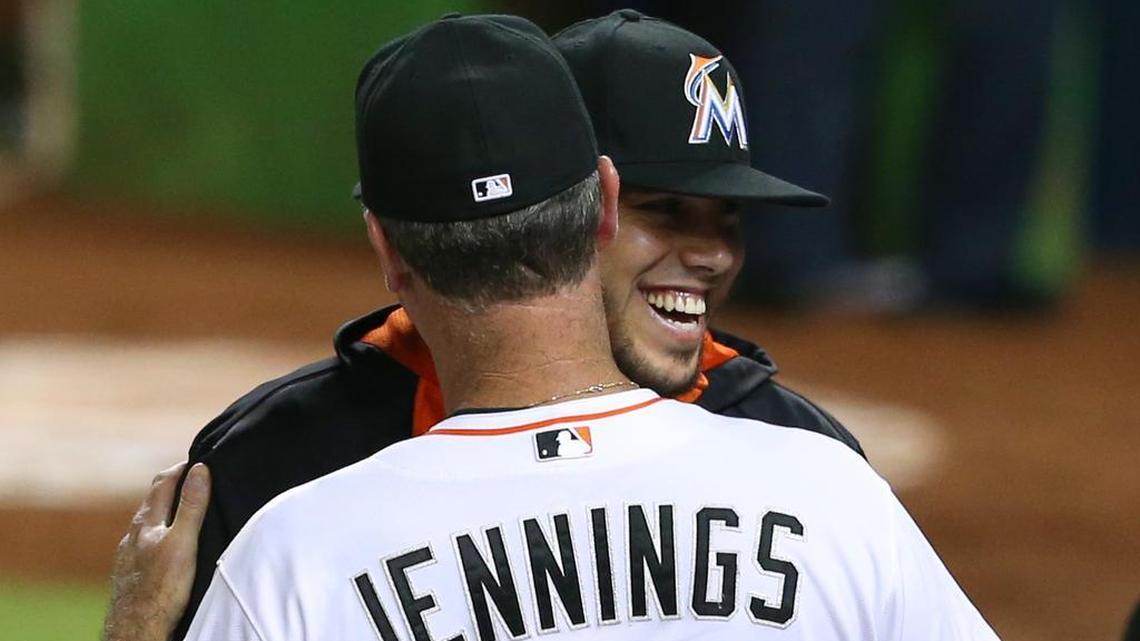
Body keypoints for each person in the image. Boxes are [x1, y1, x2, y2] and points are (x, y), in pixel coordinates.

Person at [182, 14, 997, 639]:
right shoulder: (283, 458)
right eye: (667, 210)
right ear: (586, 202)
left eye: (730, 218)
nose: (711, 254)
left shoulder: (796, 450)